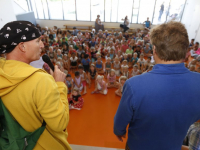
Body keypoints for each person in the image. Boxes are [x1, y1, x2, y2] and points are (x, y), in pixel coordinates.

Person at [114, 21, 200, 150]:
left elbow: (120, 123)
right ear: (186, 51)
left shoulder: (134, 85)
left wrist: (120, 131)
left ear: (154, 50)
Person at [0, 21, 71, 149]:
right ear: (22, 46)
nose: (42, 45)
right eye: (38, 41)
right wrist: (59, 85)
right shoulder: (40, 80)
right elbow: (60, 123)